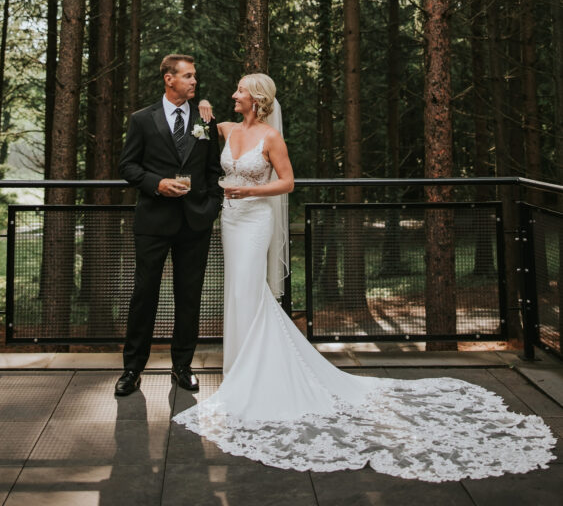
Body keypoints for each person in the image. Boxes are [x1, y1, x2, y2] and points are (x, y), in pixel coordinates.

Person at [174, 74, 555, 481]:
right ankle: (238, 372)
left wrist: (251, 193)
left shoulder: (270, 137)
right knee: (238, 293)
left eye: (240, 90)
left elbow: (288, 182)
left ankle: (254, 376)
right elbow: (201, 142)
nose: (234, 94)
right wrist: (205, 116)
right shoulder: (228, 129)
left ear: (257, 98)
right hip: (230, 222)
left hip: (254, 220)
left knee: (250, 290)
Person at [115, 54, 223, 397]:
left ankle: (182, 366)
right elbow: (128, 166)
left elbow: (214, 170)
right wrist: (156, 184)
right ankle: (132, 369)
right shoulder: (141, 119)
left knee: (189, 297)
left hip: (195, 222)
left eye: (195, 77)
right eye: (188, 76)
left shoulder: (205, 120)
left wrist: (211, 208)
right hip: (153, 221)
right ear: (169, 79)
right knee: (143, 295)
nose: (194, 82)